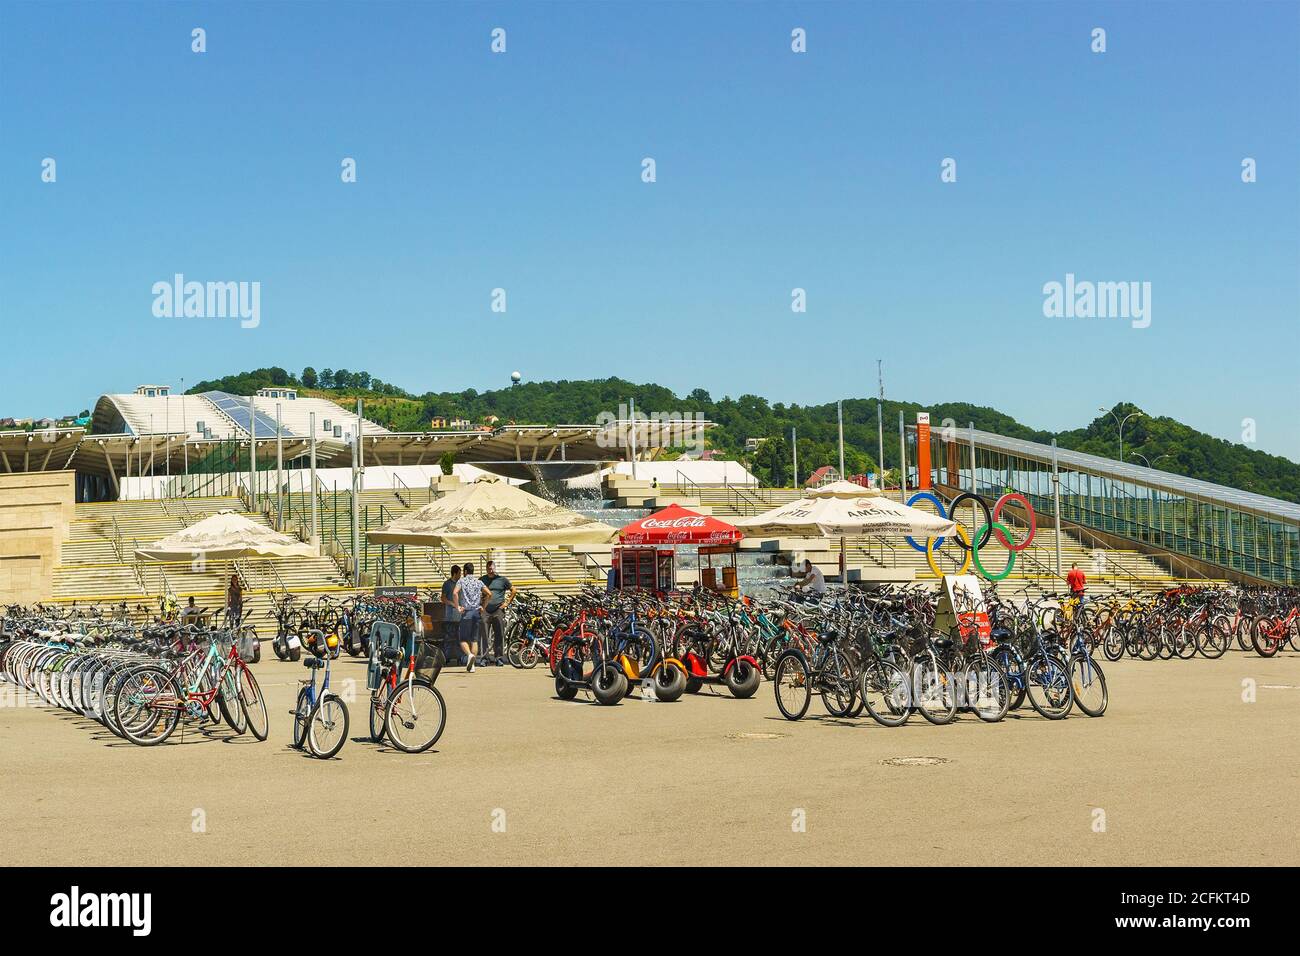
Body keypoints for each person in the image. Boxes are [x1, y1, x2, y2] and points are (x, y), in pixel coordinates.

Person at [479, 560, 515, 666]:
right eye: (488, 569)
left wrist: (507, 603)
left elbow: (514, 590)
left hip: (498, 610)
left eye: (492, 568)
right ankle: (485, 658)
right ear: (486, 569)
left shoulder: (502, 580)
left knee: (499, 634)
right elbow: (476, 592)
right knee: (484, 635)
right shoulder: (482, 580)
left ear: (495, 568)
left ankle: (498, 657)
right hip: (485, 610)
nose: (490, 570)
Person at [454, 561, 485, 673]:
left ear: (465, 571)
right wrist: (483, 606)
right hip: (476, 612)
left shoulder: (462, 581)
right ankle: (472, 665)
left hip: (466, 612)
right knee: (474, 639)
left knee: (462, 639)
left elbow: (455, 593)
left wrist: (458, 607)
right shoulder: (479, 582)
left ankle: (469, 655)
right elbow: (489, 594)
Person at [441, 565, 462, 662]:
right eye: (459, 573)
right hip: (449, 616)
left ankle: (459, 657)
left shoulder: (460, 584)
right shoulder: (447, 584)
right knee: (448, 637)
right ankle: (446, 657)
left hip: (459, 616)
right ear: (455, 573)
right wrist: (452, 603)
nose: (460, 575)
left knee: (459, 637)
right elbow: (443, 598)